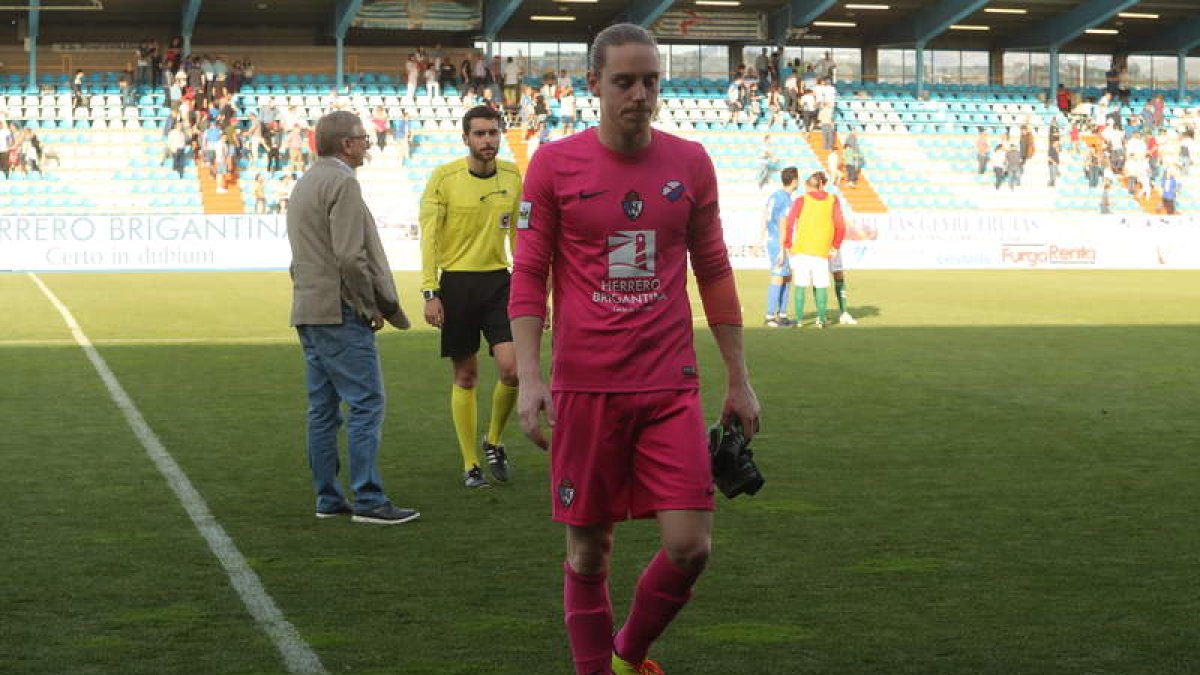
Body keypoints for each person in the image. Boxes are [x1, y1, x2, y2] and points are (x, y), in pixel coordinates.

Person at [508, 23, 760, 675]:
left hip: (669, 385)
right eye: (624, 81)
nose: (640, 94)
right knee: (589, 553)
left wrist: (739, 377)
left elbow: (714, 269)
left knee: (689, 544)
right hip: (584, 387)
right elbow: (530, 274)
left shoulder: (691, 162)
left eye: (651, 80)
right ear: (593, 85)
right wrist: (530, 378)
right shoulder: (554, 165)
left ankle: (627, 656)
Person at [286, 111, 419, 525]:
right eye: (363, 138)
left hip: (307, 309)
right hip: (339, 310)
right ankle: (368, 498)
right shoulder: (343, 182)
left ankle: (328, 497)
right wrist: (368, 305)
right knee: (366, 404)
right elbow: (349, 256)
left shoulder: (304, 183)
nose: (368, 144)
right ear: (346, 144)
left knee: (322, 410)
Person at [419, 105, 523, 490]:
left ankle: (494, 440)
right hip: (458, 285)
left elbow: (520, 237)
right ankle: (471, 463)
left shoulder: (513, 176)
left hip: (500, 282)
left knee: (512, 370)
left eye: (493, 133)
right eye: (479, 134)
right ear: (465, 138)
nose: (487, 141)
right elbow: (428, 238)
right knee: (466, 375)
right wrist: (431, 291)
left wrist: (531, 289)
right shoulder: (443, 178)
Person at [781, 171, 846, 329]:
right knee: (821, 285)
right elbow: (841, 226)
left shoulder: (800, 200)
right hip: (821, 252)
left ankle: (799, 320)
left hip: (801, 250)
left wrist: (788, 244)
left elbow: (789, 224)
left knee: (801, 286)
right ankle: (821, 320)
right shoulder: (833, 200)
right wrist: (835, 246)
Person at [761, 167, 798, 327]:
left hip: (775, 240)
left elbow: (765, 215)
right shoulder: (785, 200)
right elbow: (783, 223)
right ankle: (770, 316)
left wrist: (760, 238)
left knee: (787, 277)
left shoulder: (774, 196)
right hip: (779, 242)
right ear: (794, 181)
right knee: (778, 277)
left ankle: (782, 314)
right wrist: (783, 249)